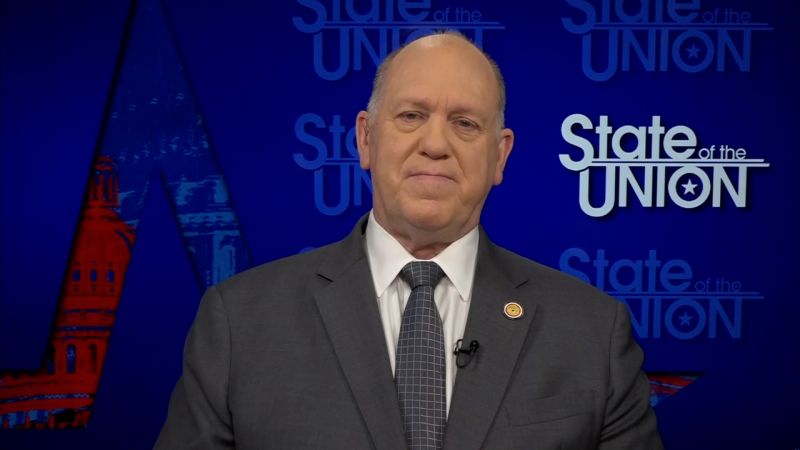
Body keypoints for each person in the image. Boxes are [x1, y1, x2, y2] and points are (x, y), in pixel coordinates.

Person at [155, 31, 663, 449]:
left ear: (500, 156)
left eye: (465, 123)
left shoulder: (592, 333)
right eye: (411, 116)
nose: (436, 144)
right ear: (366, 139)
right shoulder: (239, 323)